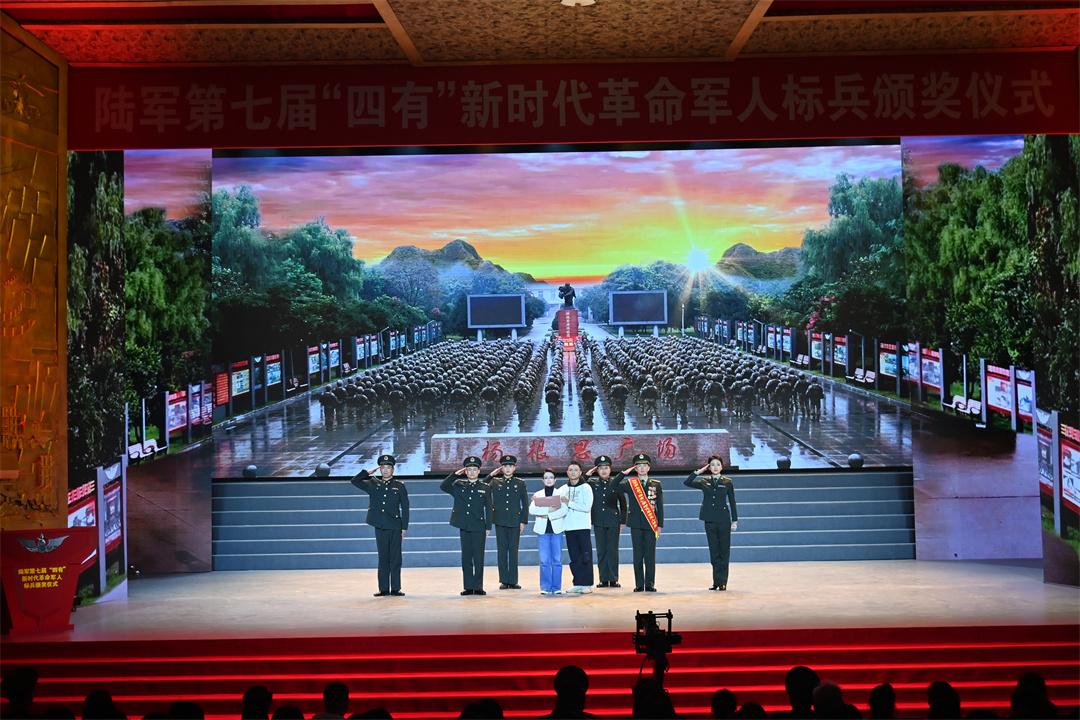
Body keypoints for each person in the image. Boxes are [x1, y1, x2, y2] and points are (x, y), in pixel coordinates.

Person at [350, 454, 409, 597]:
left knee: (395, 559)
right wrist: (366, 473)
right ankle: (383, 589)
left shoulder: (399, 486)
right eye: (383, 467)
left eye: (388, 467)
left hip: (395, 526)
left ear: (393, 469)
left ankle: (396, 588)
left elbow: (405, 508)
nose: (386, 470)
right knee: (383, 558)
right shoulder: (373, 484)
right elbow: (354, 481)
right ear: (380, 469)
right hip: (380, 526)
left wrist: (404, 528)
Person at [685, 455, 738, 591]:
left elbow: (732, 502)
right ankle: (716, 582)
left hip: (724, 520)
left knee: (724, 551)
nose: (715, 467)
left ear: (722, 467)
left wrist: (735, 520)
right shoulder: (705, 481)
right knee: (714, 552)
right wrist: (698, 472)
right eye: (712, 465)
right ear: (709, 467)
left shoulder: (727, 482)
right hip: (709, 520)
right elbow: (687, 482)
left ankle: (723, 582)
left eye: (718, 464)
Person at [441, 456, 492, 595]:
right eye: (469, 470)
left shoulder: (485, 487)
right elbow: (444, 486)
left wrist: (488, 527)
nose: (472, 472)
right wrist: (454, 475)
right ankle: (468, 587)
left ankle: (478, 587)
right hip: (464, 526)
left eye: (474, 469)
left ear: (479, 471)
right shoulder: (459, 486)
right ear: (465, 471)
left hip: (479, 527)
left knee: (479, 557)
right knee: (466, 557)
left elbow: (489, 508)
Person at [618, 453, 663, 592]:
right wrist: (623, 474)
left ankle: (650, 584)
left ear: (649, 468)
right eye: (639, 466)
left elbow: (660, 506)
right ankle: (639, 584)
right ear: (635, 468)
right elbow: (614, 486)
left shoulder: (656, 484)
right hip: (635, 524)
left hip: (651, 524)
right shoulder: (630, 484)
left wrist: (660, 525)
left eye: (644, 465)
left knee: (650, 555)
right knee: (637, 555)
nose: (642, 468)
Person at [487, 454, 529, 590]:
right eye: (505, 466)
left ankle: (513, 580)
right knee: (502, 552)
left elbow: (525, 504)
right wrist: (491, 475)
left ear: (514, 468)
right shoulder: (495, 482)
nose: (508, 468)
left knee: (513, 551)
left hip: (515, 521)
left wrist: (523, 521)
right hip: (500, 521)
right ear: (501, 468)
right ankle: (504, 580)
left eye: (510, 466)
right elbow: (482, 485)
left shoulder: (520, 483)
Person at [585, 455, 627, 588]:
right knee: (601, 550)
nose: (604, 471)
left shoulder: (616, 483)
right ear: (596, 470)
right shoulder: (592, 484)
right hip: (598, 520)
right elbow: (578, 484)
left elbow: (623, 504)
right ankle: (603, 579)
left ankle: (613, 578)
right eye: (601, 468)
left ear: (610, 469)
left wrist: (623, 521)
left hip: (613, 521)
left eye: (606, 468)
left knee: (612, 550)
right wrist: (587, 475)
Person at [530, 468, 568, 595]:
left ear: (555, 480)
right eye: (546, 478)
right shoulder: (538, 494)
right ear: (543, 480)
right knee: (544, 560)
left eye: (551, 477)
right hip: (542, 531)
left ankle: (556, 587)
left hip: (557, 530)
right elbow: (532, 510)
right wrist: (549, 510)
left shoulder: (560, 494)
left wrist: (547, 514)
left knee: (557, 559)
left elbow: (564, 510)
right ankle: (545, 587)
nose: (549, 480)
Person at [562, 460, 595, 594]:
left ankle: (587, 584)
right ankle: (577, 583)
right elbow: (555, 501)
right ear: (567, 472)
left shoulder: (586, 487)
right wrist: (538, 500)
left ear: (580, 472)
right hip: (569, 527)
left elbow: (586, 507)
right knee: (574, 557)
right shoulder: (563, 489)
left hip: (582, 527)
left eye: (576, 470)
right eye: (570, 470)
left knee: (585, 556)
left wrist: (569, 502)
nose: (573, 472)